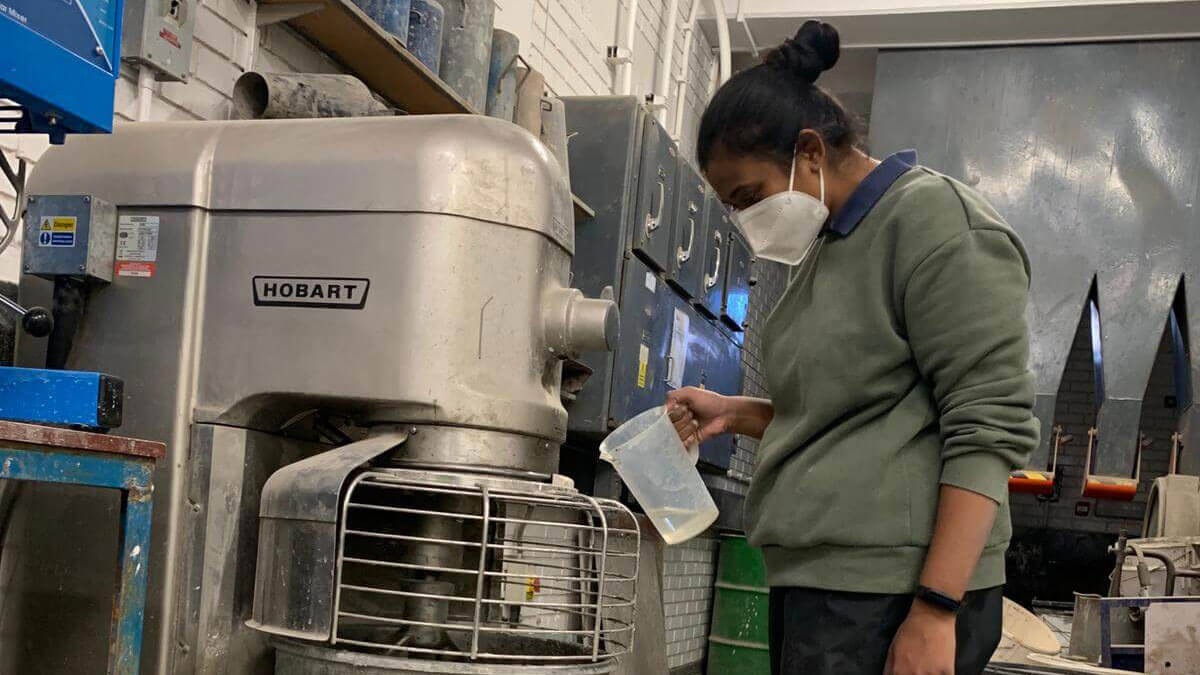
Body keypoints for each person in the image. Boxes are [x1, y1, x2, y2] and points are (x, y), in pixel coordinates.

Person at [666, 20, 1039, 675]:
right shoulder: (826, 249)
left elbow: (987, 428)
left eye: (748, 196)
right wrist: (735, 410)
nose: (746, 220)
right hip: (824, 584)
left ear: (809, 151)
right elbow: (849, 412)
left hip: (890, 593)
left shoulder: (935, 225)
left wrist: (935, 609)